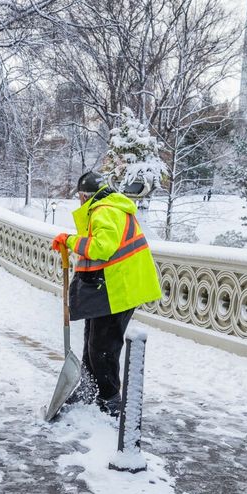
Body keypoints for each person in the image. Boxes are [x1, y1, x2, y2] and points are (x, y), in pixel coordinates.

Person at [50, 171, 161, 416]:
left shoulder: (104, 211)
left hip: (120, 288)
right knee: (93, 343)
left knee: (102, 348)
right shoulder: (108, 207)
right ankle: (89, 390)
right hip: (111, 286)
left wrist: (69, 240)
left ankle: (110, 401)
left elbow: (102, 247)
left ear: (83, 196)